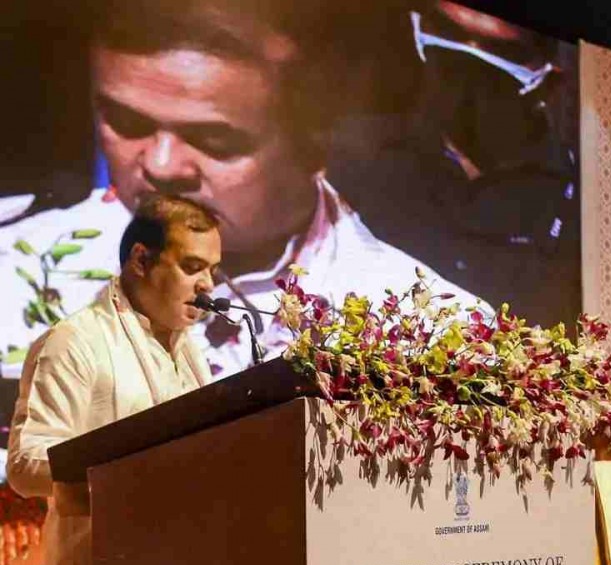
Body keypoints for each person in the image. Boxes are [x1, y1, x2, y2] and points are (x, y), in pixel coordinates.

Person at [0, 0, 486, 380]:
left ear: (316, 142)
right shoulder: (15, 268)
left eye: (215, 140)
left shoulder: (436, 335)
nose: (161, 165)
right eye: (126, 123)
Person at [6, 194, 222, 565]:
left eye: (213, 270)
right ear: (141, 260)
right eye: (192, 266)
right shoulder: (76, 341)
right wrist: (128, 472)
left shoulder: (188, 349)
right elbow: (24, 465)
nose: (208, 286)